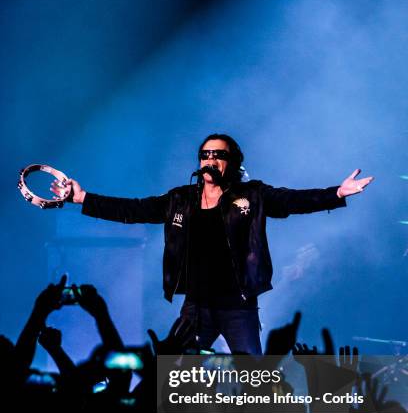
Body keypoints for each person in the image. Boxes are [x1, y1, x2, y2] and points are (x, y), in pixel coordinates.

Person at [51, 134, 374, 354]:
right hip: (196, 306)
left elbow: (291, 201)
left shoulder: (253, 195)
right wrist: (81, 198)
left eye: (219, 155)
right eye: (205, 154)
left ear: (232, 162)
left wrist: (336, 193)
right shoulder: (180, 199)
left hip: (239, 305)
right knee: (173, 380)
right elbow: (133, 210)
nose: (210, 159)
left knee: (254, 383)